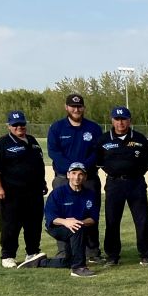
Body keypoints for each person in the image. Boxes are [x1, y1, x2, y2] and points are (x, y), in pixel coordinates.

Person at [94, 106, 148, 266]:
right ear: (112, 120)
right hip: (114, 184)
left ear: (129, 120)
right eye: (117, 119)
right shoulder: (104, 139)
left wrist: (136, 173)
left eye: (124, 119)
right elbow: (99, 162)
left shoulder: (140, 139)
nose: (120, 122)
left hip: (136, 183)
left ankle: (145, 254)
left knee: (141, 220)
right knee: (112, 220)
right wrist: (115, 171)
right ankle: (112, 255)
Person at [47, 93, 103, 262]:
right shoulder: (57, 128)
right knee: (64, 215)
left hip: (89, 178)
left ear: (83, 108)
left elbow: (97, 152)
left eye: (79, 106)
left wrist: (82, 168)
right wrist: (72, 169)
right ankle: (65, 252)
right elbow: (54, 152)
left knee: (89, 214)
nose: (76, 109)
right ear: (66, 107)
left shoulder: (93, 128)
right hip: (63, 178)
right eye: (73, 106)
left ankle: (92, 252)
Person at [0, 110, 47, 268]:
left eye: (21, 124)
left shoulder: (32, 141)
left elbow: (39, 164)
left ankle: (32, 252)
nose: (19, 127)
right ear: (9, 126)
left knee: (33, 224)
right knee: (10, 225)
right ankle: (8, 255)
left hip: (34, 192)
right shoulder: (3, 143)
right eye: (15, 125)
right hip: (11, 193)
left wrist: (42, 183)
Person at [22, 162, 98, 277]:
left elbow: (93, 218)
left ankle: (40, 262)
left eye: (80, 174)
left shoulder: (90, 194)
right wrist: (66, 222)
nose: (77, 177)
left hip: (79, 226)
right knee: (77, 229)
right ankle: (79, 268)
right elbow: (51, 217)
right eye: (73, 173)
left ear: (85, 177)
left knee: (70, 260)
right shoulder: (58, 193)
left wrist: (78, 222)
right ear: (68, 175)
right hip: (57, 227)